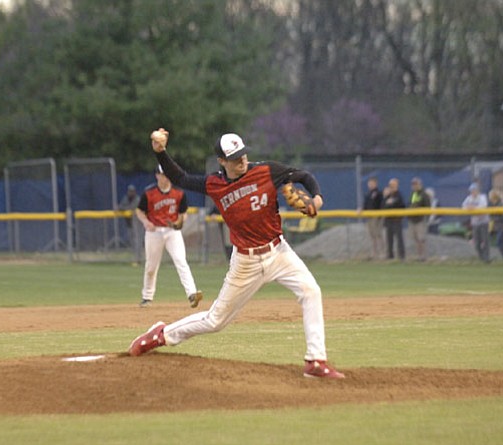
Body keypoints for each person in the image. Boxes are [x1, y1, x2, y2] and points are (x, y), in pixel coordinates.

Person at [128, 130, 345, 379]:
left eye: (243, 154)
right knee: (215, 321)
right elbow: (180, 177)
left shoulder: (266, 171)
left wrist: (316, 198)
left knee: (311, 291)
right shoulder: (214, 184)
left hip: (279, 251)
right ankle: (162, 334)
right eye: (234, 158)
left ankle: (315, 361)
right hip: (246, 262)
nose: (241, 160)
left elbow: (304, 176)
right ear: (222, 161)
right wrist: (160, 151)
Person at [135, 165, 203, 308]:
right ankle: (147, 297)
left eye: (167, 175)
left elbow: (183, 213)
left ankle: (192, 294)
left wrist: (179, 222)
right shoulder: (149, 192)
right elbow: (140, 211)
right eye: (162, 174)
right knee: (151, 266)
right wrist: (146, 222)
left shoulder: (179, 193)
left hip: (172, 232)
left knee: (181, 261)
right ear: (157, 176)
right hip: (154, 232)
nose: (164, 177)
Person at [462, 183, 490, 263]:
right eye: (471, 191)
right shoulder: (469, 198)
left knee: (485, 241)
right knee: (477, 242)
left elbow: (483, 206)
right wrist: (468, 208)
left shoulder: (482, 197)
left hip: (483, 221)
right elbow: (463, 206)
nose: (473, 192)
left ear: (478, 191)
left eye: (474, 190)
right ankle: (481, 257)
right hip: (475, 222)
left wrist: (472, 208)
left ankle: (487, 258)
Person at [408, 177, 431, 261]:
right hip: (412, 219)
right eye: (413, 184)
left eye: (416, 184)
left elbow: (428, 207)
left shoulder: (424, 195)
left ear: (420, 185)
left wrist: (426, 218)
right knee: (416, 239)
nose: (414, 186)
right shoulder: (413, 194)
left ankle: (424, 256)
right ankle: (419, 255)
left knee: (422, 238)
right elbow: (410, 204)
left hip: (420, 219)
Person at [382, 178, 405, 260]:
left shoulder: (398, 195)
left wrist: (390, 202)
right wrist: (385, 197)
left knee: (399, 238)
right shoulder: (387, 196)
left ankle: (401, 256)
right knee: (389, 239)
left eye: (393, 185)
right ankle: (390, 255)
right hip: (388, 220)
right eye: (390, 185)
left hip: (397, 220)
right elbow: (383, 207)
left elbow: (398, 204)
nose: (391, 187)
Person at [118, 184, 142, 264]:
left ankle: (138, 258)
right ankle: (135, 258)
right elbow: (120, 207)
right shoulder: (126, 198)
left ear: (134, 192)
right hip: (129, 223)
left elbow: (133, 207)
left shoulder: (137, 199)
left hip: (138, 224)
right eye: (129, 191)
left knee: (137, 240)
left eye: (132, 191)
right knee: (132, 241)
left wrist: (125, 208)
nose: (130, 193)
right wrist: (125, 208)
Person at [362, 177, 384, 260]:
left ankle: (382, 252)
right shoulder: (368, 194)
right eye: (369, 183)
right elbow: (366, 205)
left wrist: (380, 216)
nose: (370, 185)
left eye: (372, 183)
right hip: (369, 216)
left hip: (376, 216)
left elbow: (381, 205)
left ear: (376, 183)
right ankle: (375, 253)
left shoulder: (378, 193)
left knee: (378, 234)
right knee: (372, 235)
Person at [488, 189, 503, 262]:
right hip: (498, 226)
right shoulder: (492, 205)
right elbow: (491, 216)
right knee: (501, 242)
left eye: (490, 197)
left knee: (500, 241)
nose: (490, 198)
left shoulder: (500, 204)